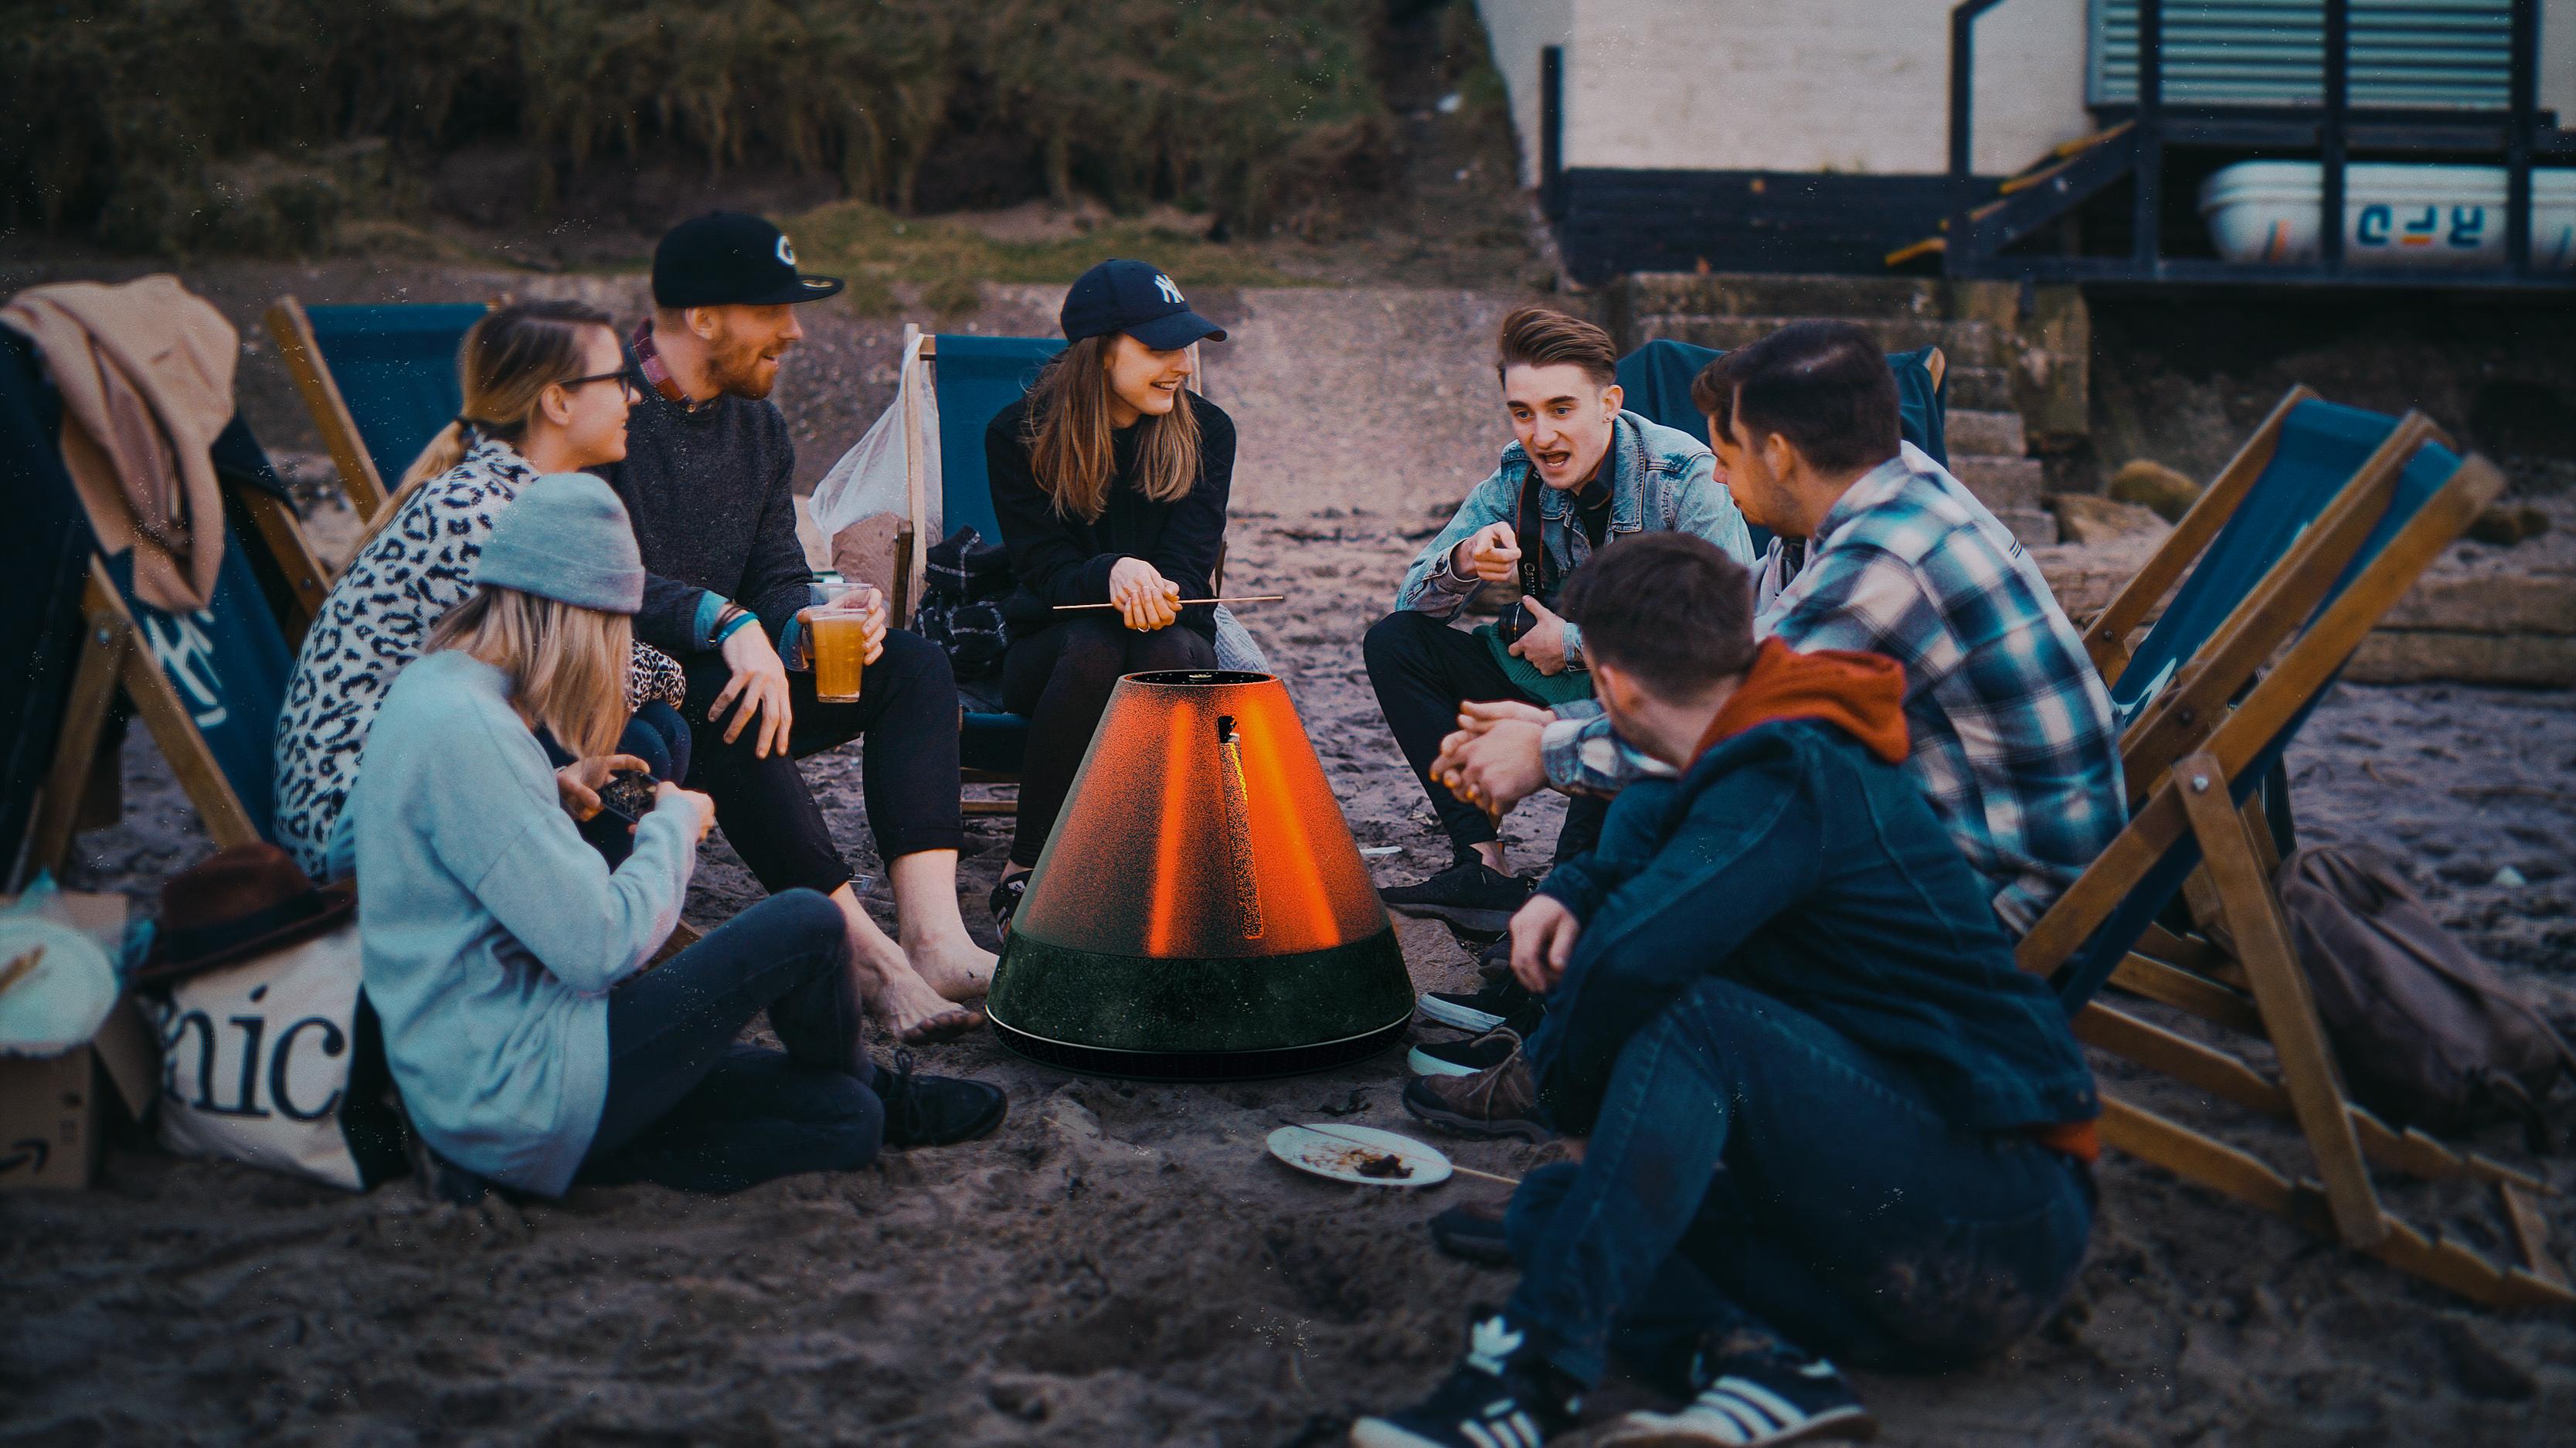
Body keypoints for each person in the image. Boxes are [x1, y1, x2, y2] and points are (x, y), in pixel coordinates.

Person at [1355, 533, 2098, 1448]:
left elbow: (1633, 959)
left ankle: (1530, 1382)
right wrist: (1573, 888)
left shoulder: (1792, 764)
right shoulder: (1735, 733)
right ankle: (1763, 1364)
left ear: (1614, 688)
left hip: (1992, 1215)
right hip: (1872, 1245)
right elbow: (1646, 821)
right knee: (1556, 1208)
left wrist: (1570, 1108)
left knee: (1690, 1022)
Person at [1422, 320, 2123, 1048]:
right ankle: (1562, 1036)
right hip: (1943, 830)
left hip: (2008, 901)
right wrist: (1555, 728)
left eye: (1725, 457)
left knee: (1706, 830)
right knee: (1663, 810)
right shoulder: (1874, 492)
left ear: (1781, 455)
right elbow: (1734, 644)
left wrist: (1549, 755)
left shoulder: (1890, 559)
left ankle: (1571, 1059)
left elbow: (1735, 716)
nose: (1717, 478)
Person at [349, 474, 1007, 1201]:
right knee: (808, 923)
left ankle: (862, 1097)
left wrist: (550, 792)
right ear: (574, 612)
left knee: (842, 1123)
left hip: (486, 1093)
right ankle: (875, 1082)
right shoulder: (472, 732)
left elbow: (446, 853)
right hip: (527, 1082)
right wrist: (672, 828)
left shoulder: (439, 690)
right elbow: (600, 948)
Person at [598, 211, 986, 1043]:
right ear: (703, 319)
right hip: (626, 693)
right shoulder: (601, 413)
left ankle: (935, 938)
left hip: (741, 667)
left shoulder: (758, 426)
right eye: (774, 310)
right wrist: (726, 621)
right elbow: (595, 577)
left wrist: (809, 614)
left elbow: (772, 571)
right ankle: (871, 964)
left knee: (915, 666)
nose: (796, 330)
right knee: (726, 696)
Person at [272, 300, 693, 880]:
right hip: (361, 829)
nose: (635, 396)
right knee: (642, 734)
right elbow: (582, 679)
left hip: (414, 777)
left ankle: (591, 904)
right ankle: (581, 918)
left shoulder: (501, 495)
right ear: (558, 400)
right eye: (619, 380)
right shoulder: (481, 516)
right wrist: (676, 666)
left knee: (650, 734)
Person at [1364, 307, 1752, 934]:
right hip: (1541, 683)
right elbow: (1413, 601)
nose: (1540, 435)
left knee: (1572, 895)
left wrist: (1573, 643)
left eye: (1561, 409)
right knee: (1395, 642)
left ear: (1609, 402)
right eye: (1523, 413)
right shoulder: (1516, 477)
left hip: (1641, 701)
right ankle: (1481, 864)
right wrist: (1464, 560)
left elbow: (1731, 636)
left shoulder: (1685, 477)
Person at [982, 259, 1232, 930]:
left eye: (1184, 346)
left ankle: (1164, 865)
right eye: (1159, 348)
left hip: (1168, 634)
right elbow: (1044, 572)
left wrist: (1154, 585)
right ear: (1098, 353)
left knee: (1168, 641)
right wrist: (1111, 570)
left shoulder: (1209, 433)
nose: (1181, 364)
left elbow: (1188, 563)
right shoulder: (1019, 435)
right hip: (1051, 651)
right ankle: (1027, 865)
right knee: (1095, 642)